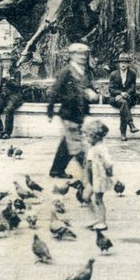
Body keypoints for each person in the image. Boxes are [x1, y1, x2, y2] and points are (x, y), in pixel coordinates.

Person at [47, 43, 98, 179]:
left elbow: (89, 87)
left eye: (84, 54)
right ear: (71, 56)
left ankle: (56, 170)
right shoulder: (66, 71)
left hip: (80, 113)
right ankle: (89, 174)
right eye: (79, 54)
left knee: (67, 142)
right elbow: (54, 91)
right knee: (75, 143)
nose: (82, 57)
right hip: (69, 113)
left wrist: (92, 92)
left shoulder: (86, 71)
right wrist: (50, 111)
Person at [82, 118, 114, 231]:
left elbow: (109, 163)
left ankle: (102, 222)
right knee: (85, 197)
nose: (86, 138)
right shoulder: (93, 148)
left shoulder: (101, 148)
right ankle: (96, 218)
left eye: (88, 136)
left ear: (95, 136)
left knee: (98, 200)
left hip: (99, 179)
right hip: (92, 179)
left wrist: (109, 173)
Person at [0, 51, 24, 139]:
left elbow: (18, 87)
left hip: (12, 96)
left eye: (8, 62)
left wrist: (9, 80)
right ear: (1, 63)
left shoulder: (16, 72)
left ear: (12, 63)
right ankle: (0, 130)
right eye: (4, 62)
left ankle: (7, 132)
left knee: (9, 109)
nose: (6, 64)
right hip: (1, 95)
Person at [107, 53, 139, 141]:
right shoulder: (114, 74)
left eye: (125, 62)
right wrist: (120, 93)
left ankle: (123, 134)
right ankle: (131, 124)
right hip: (115, 98)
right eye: (121, 62)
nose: (123, 64)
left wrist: (125, 94)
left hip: (128, 98)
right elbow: (111, 89)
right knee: (124, 104)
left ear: (128, 64)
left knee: (124, 105)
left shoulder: (132, 73)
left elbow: (133, 87)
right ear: (119, 64)